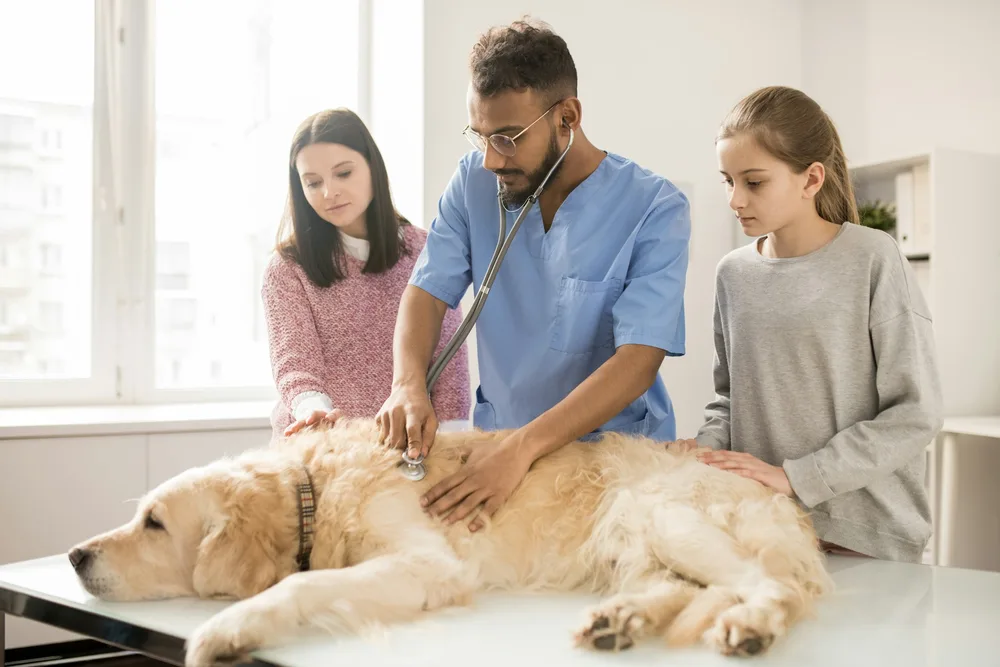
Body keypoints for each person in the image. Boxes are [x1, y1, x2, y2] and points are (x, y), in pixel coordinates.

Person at [377, 19, 691, 530]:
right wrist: (407, 383)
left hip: (614, 460)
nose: (489, 160)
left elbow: (638, 361)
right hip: (500, 453)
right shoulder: (472, 185)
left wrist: (523, 449)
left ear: (567, 116)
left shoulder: (654, 207)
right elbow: (429, 292)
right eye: (479, 136)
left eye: (506, 138)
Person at [692, 85, 943, 562]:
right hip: (761, 528)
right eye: (728, 181)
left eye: (754, 182)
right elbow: (729, 400)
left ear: (811, 180)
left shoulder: (874, 258)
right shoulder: (733, 274)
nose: (735, 199)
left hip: (864, 535)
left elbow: (915, 412)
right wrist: (706, 456)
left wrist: (796, 478)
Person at [262, 109, 471, 444]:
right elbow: (295, 365)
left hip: (406, 450)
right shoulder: (287, 267)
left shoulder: (425, 251)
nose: (328, 192)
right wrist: (312, 409)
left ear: (373, 167)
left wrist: (454, 438)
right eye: (313, 182)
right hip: (319, 447)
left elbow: (449, 358)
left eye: (343, 173)